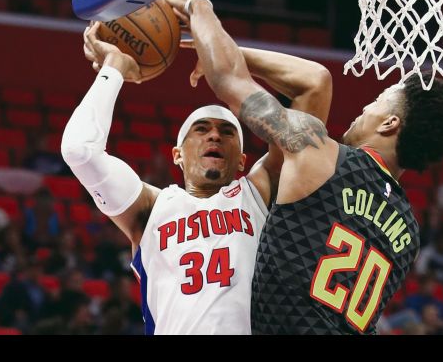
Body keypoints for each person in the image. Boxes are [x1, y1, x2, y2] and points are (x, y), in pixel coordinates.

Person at [159, 0, 443, 334]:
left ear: (389, 124)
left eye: (376, 102)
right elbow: (316, 81)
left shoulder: (320, 153)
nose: (364, 109)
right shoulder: (409, 231)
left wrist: (199, 10)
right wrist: (217, 45)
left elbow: (228, 80)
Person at [61, 21, 332, 335]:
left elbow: (315, 84)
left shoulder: (258, 192)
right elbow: (80, 150)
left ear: (242, 160)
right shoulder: (150, 206)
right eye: (201, 129)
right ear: (177, 154)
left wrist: (225, 57)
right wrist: (114, 67)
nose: (214, 135)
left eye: (227, 132)